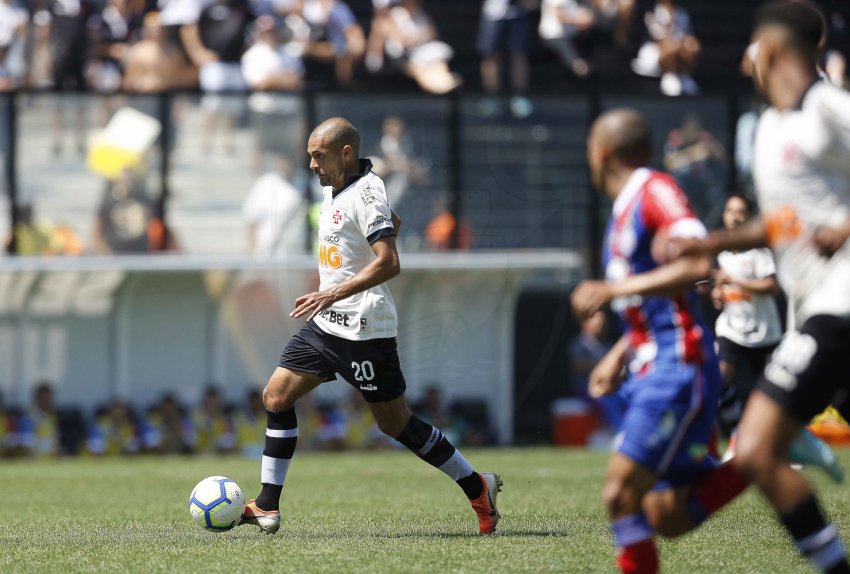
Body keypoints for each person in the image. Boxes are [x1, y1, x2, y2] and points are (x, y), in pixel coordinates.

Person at [238, 117, 502, 536]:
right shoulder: (338, 187)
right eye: (309, 156)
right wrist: (332, 295)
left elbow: (390, 262)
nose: (312, 164)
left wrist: (332, 292)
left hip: (364, 331)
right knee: (276, 395)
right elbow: (390, 223)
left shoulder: (366, 190)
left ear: (346, 154)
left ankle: (477, 486)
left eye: (319, 156)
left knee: (395, 424)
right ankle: (267, 505)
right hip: (326, 325)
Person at [668, 2, 850, 572]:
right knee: (759, 447)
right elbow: (781, 223)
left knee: (756, 444)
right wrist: (712, 241)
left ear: (769, 51)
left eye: (751, 47)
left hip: (840, 305)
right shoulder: (770, 126)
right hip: (813, 307)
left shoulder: (827, 109)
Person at [571, 108, 752, 574]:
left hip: (678, 363)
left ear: (601, 152)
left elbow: (697, 263)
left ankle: (762, 450)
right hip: (652, 364)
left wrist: (613, 290)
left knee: (620, 493)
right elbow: (652, 302)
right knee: (666, 515)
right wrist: (619, 353)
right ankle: (760, 455)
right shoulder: (624, 209)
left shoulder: (654, 190)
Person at [711, 194, 782, 442]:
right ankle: (734, 435)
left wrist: (735, 280)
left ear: (748, 217)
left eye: (740, 211)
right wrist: (718, 295)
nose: (735, 217)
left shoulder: (759, 252)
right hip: (731, 330)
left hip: (764, 334)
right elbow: (721, 291)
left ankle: (782, 444)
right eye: (730, 211)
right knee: (718, 378)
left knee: (774, 396)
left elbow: (771, 286)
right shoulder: (720, 253)